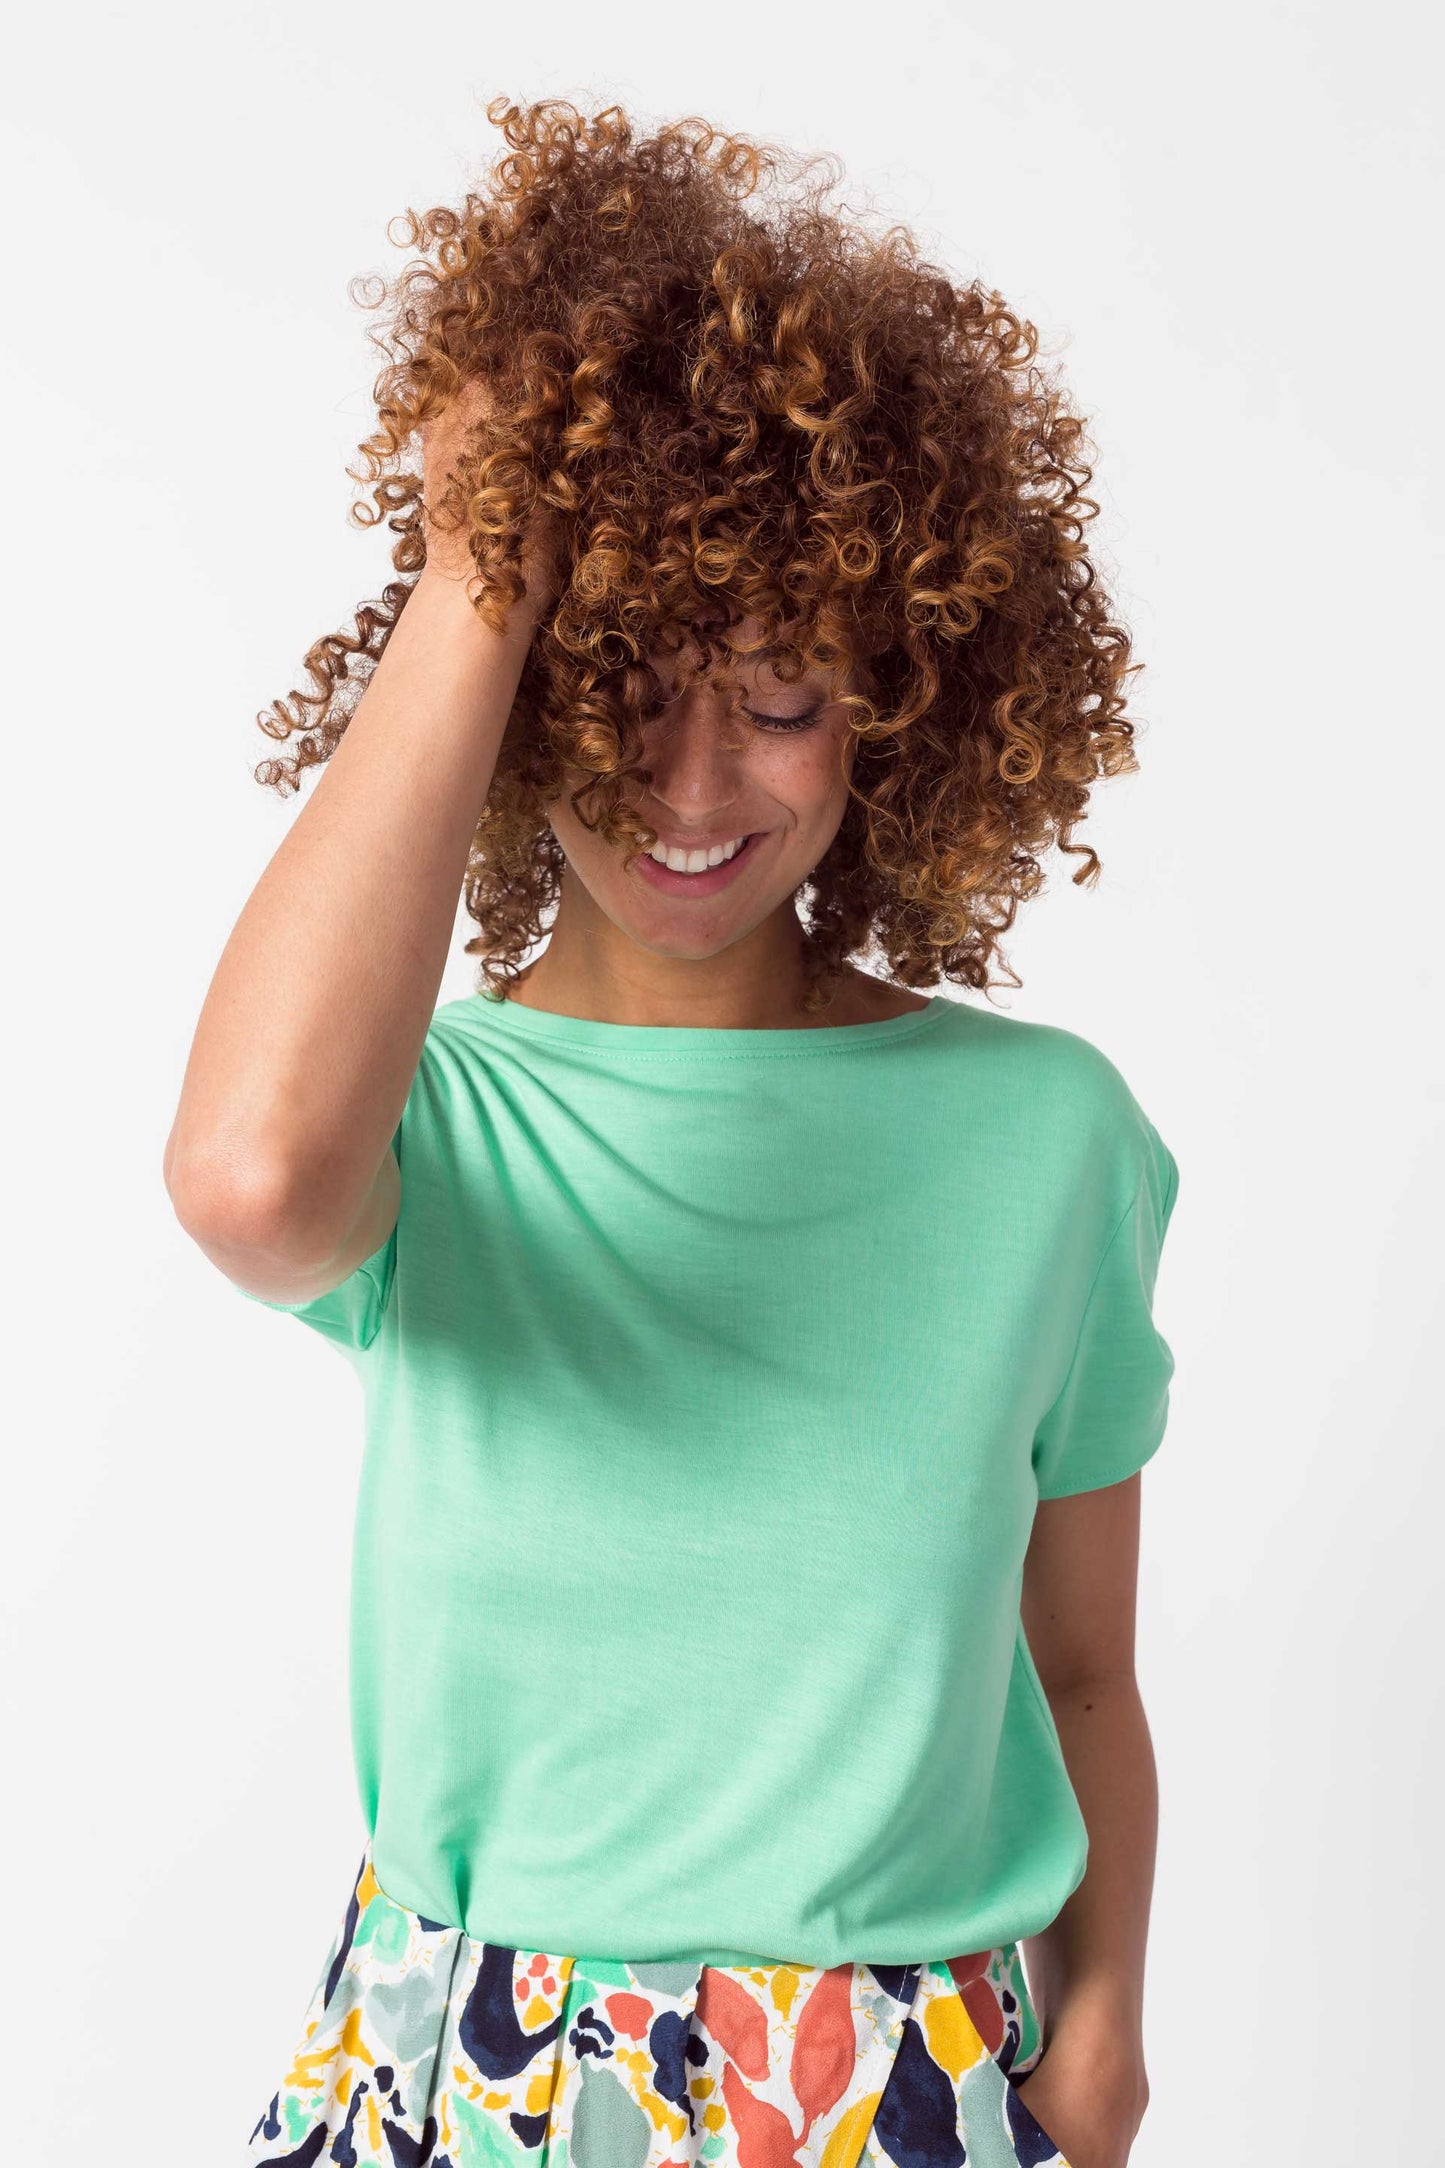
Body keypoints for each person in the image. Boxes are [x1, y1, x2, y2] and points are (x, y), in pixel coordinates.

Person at [164, 97, 1180, 2168]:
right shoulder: (426, 1124)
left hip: (899, 2081)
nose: (692, 785)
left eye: (782, 698)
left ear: (900, 698)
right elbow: (249, 1180)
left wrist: (1105, 2027)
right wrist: (486, 563)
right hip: (463, 2069)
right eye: (618, 686)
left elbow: (1079, 1668)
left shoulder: (1046, 1141)